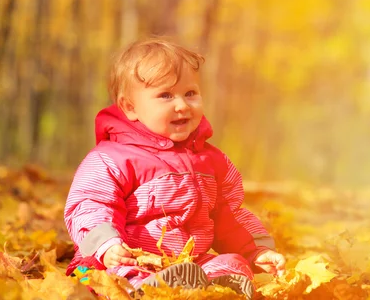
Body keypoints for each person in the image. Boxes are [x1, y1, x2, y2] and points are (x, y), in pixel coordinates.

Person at [64, 37, 286, 299]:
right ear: (129, 107)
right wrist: (107, 245)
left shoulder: (211, 160)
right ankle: (144, 290)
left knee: (231, 264)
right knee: (104, 276)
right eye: (165, 95)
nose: (181, 105)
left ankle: (217, 288)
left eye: (190, 93)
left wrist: (256, 251)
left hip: (186, 262)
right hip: (120, 257)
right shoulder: (111, 159)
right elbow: (90, 205)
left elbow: (229, 214)